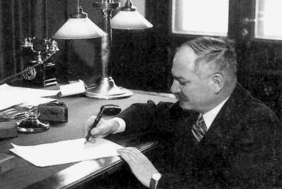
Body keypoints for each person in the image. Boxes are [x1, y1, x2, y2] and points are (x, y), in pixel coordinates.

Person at [84, 36, 282, 188]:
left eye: (183, 82)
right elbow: (151, 113)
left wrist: (156, 179)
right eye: (174, 79)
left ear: (216, 83)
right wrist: (112, 124)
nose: (173, 89)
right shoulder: (196, 106)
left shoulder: (258, 126)